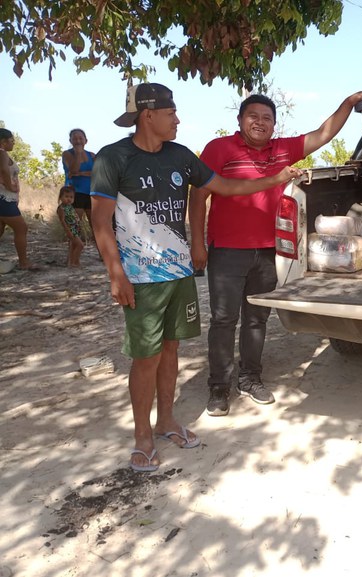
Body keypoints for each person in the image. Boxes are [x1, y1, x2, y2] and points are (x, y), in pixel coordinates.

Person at [91, 83, 304, 473]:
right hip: (140, 276)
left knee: (170, 350)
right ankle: (142, 436)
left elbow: (224, 186)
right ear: (148, 115)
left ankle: (166, 420)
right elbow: (100, 220)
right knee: (145, 357)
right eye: (171, 113)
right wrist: (115, 272)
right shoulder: (113, 157)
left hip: (178, 272)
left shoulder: (180, 156)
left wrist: (274, 181)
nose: (177, 119)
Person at [189, 90, 362, 417]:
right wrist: (198, 244)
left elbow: (324, 134)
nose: (260, 122)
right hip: (227, 251)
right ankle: (219, 386)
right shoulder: (220, 149)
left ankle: (250, 378)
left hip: (269, 251)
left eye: (267, 118)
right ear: (240, 120)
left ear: (274, 124)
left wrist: (347, 103)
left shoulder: (282, 150)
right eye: (253, 116)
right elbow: (198, 194)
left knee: (257, 319)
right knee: (223, 319)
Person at [0, 128, 31, 270]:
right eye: (12, 141)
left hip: (5, 198)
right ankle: (24, 263)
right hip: (4, 198)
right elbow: (5, 170)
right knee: (21, 228)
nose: (14, 143)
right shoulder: (2, 153)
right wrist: (9, 186)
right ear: (3, 142)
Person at [62, 128, 97, 234]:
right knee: (75, 227)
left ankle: (100, 250)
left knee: (95, 226)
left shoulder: (92, 155)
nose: (78, 141)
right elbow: (73, 170)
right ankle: (74, 249)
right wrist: (78, 153)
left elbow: (96, 173)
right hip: (75, 193)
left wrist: (81, 174)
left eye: (80, 138)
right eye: (75, 138)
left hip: (91, 193)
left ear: (86, 140)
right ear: (70, 141)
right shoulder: (67, 154)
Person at [56, 185, 84, 267]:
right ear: (60, 197)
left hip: (76, 228)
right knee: (80, 245)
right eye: (66, 196)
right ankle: (75, 261)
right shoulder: (61, 208)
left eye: (71, 197)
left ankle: (71, 262)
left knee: (73, 246)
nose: (69, 199)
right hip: (71, 230)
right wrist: (68, 231)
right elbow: (63, 221)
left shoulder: (70, 206)